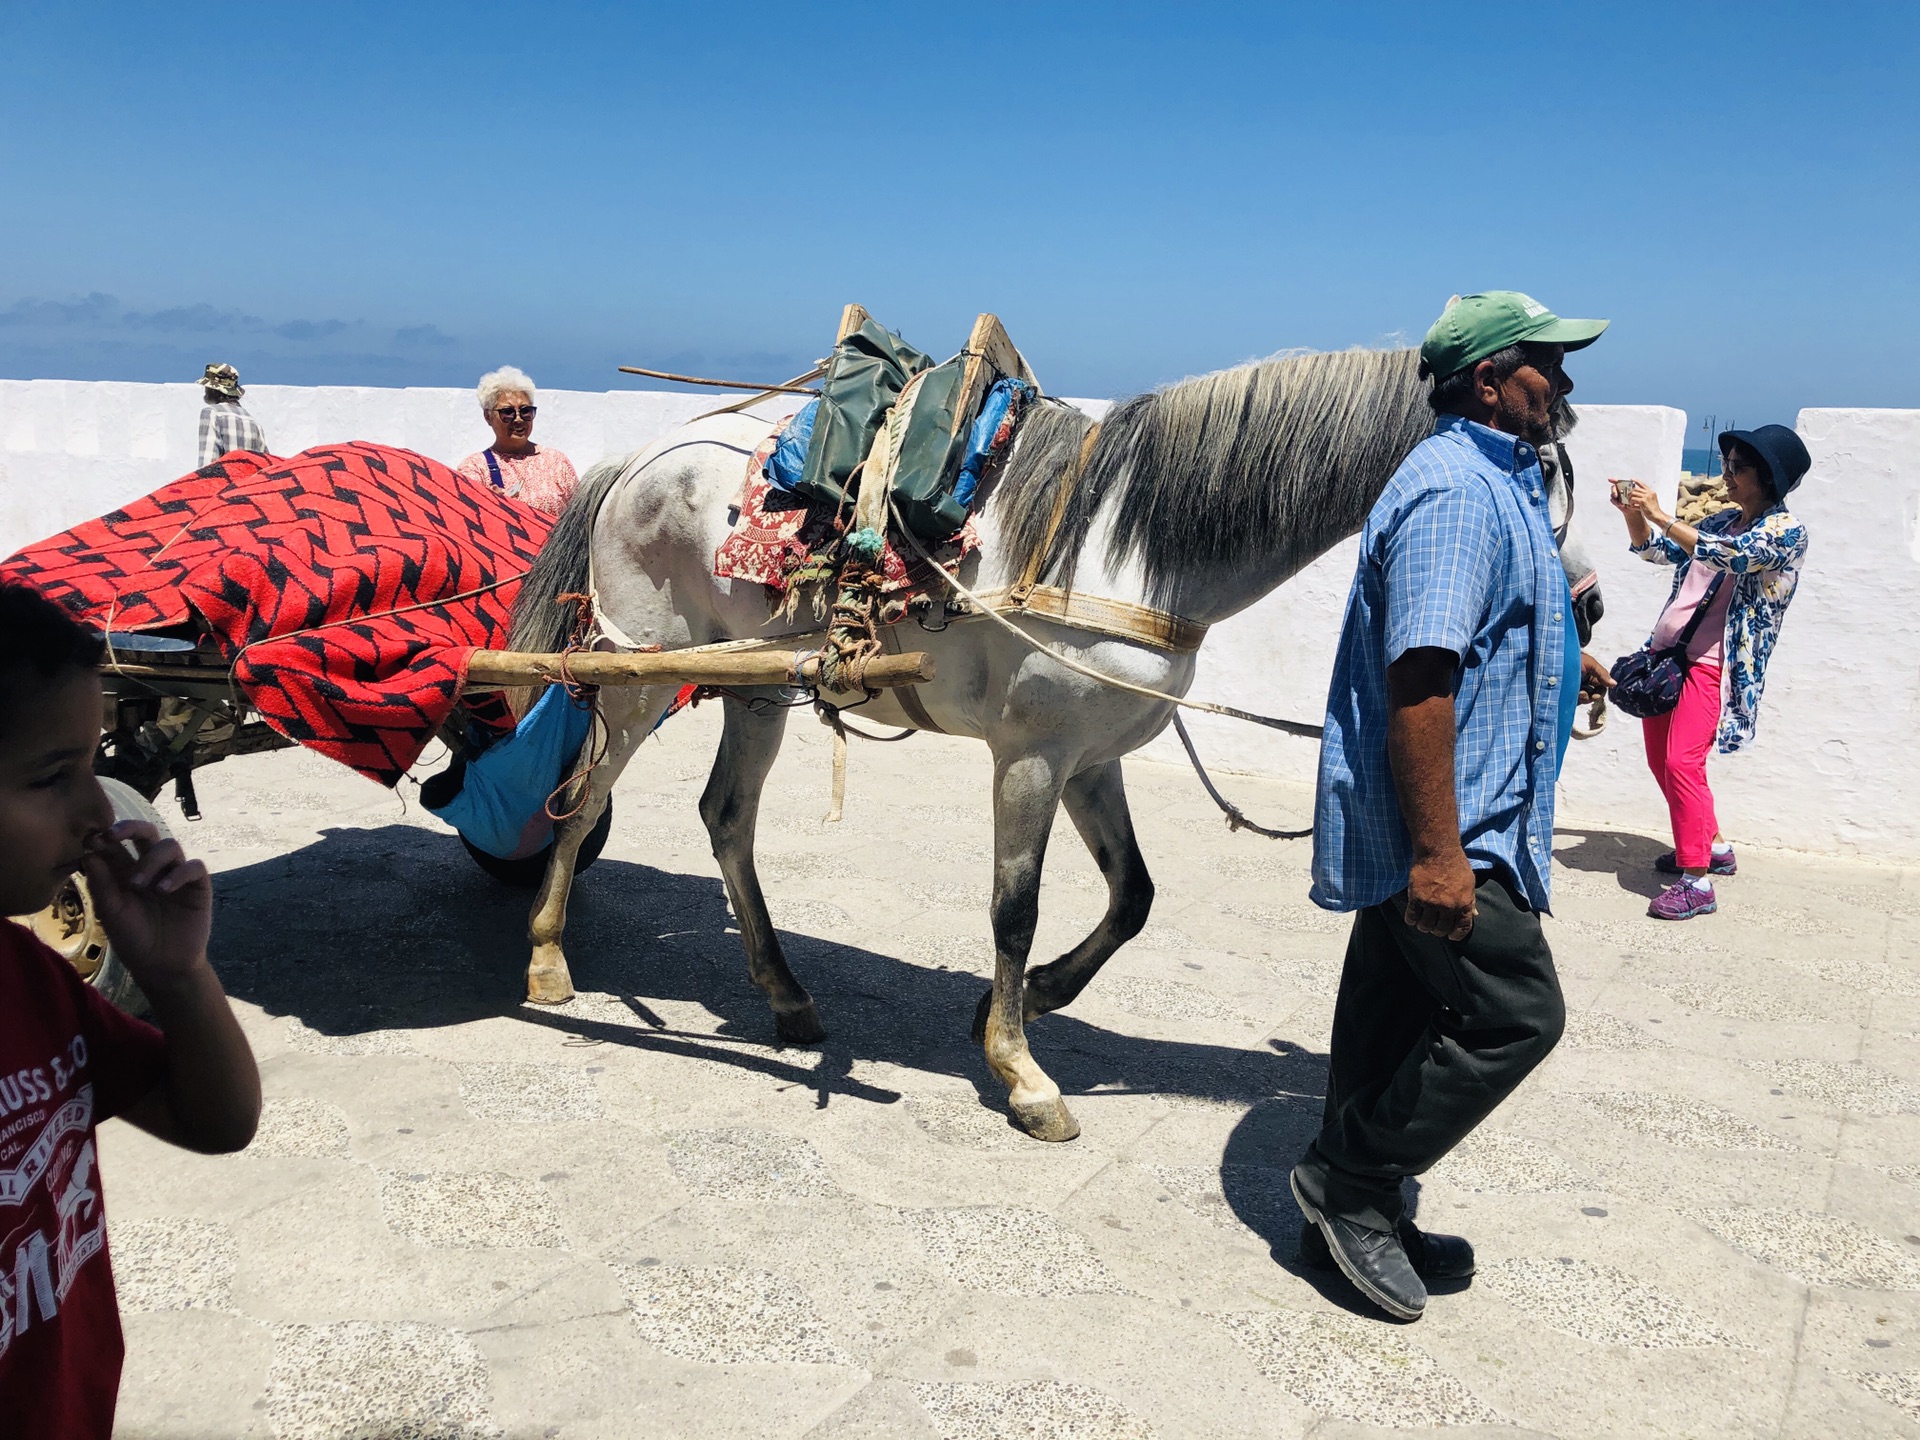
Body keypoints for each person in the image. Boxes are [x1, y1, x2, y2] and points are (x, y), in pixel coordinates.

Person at [1295, 291, 1614, 1323]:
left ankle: (1351, 1212)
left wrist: (1572, 660)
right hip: (1451, 829)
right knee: (1516, 1015)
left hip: (1458, 818)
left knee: (1390, 1019)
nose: (1562, 383)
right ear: (1488, 379)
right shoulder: (1458, 493)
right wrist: (1439, 855)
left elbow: (1495, 637)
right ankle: (1348, 1181)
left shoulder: (1499, 482)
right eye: (1546, 365)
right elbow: (1422, 682)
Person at [0, 582, 261, 1437]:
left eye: (91, 766)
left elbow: (216, 1121)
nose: (96, 811)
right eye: (52, 777)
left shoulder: (30, 979)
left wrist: (179, 978)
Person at [1610, 425, 1811, 920]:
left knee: (1683, 764)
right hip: (1666, 660)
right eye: (1727, 464)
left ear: (1768, 478)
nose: (1726, 474)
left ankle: (1696, 881)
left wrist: (1661, 514)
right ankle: (1713, 848)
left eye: (1736, 467)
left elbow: (1735, 558)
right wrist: (1636, 519)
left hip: (1711, 667)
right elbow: (1660, 552)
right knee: (1663, 763)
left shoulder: (1785, 533)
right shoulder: (1723, 519)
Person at [455, 366, 579, 516]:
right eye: (507, 412)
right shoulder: (475, 467)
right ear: (488, 416)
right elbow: (464, 515)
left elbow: (579, 519)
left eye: (525, 411)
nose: (518, 419)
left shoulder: (557, 462)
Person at [195, 363, 268, 467]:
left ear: (213, 389)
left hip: (224, 482)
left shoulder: (212, 413)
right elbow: (265, 465)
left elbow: (207, 463)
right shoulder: (254, 424)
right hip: (247, 482)